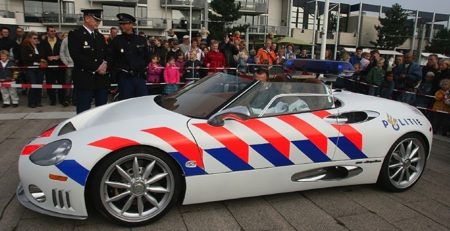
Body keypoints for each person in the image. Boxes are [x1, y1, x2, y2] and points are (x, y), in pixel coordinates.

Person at [68, 9, 110, 114]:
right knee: (83, 110)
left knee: (101, 110)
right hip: (85, 79)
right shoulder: (75, 34)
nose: (98, 23)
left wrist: (105, 64)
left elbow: (105, 53)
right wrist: (97, 67)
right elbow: (77, 56)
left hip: (100, 79)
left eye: (99, 20)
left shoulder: (99, 36)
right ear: (87, 18)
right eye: (96, 20)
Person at [110, 13, 150, 100]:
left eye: (124, 24)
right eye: (120, 24)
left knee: (142, 103)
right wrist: (117, 74)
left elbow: (147, 57)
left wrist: (141, 68)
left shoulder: (141, 40)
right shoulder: (116, 41)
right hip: (125, 78)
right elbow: (112, 59)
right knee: (126, 105)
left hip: (139, 78)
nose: (122, 26)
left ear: (131, 24)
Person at [41, 26, 66, 106]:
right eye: (51, 31)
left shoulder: (60, 41)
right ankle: (52, 100)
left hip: (59, 66)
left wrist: (59, 56)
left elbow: (64, 51)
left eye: (54, 31)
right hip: (49, 66)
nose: (53, 32)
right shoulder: (43, 42)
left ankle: (62, 100)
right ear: (47, 32)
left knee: (61, 83)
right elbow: (41, 53)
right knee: (50, 84)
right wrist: (47, 57)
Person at [20, 32, 46, 108]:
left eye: (37, 38)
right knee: (33, 84)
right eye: (34, 38)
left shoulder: (39, 46)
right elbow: (26, 58)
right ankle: (31, 102)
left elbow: (42, 55)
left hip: (40, 69)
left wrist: (33, 56)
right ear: (30, 38)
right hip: (31, 69)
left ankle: (38, 101)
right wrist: (38, 58)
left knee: (39, 85)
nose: (36, 39)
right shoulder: (25, 46)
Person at [59, 32, 74, 105]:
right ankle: (67, 100)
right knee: (67, 83)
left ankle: (75, 100)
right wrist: (66, 63)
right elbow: (61, 53)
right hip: (69, 66)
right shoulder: (65, 40)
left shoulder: (77, 39)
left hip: (78, 66)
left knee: (77, 83)